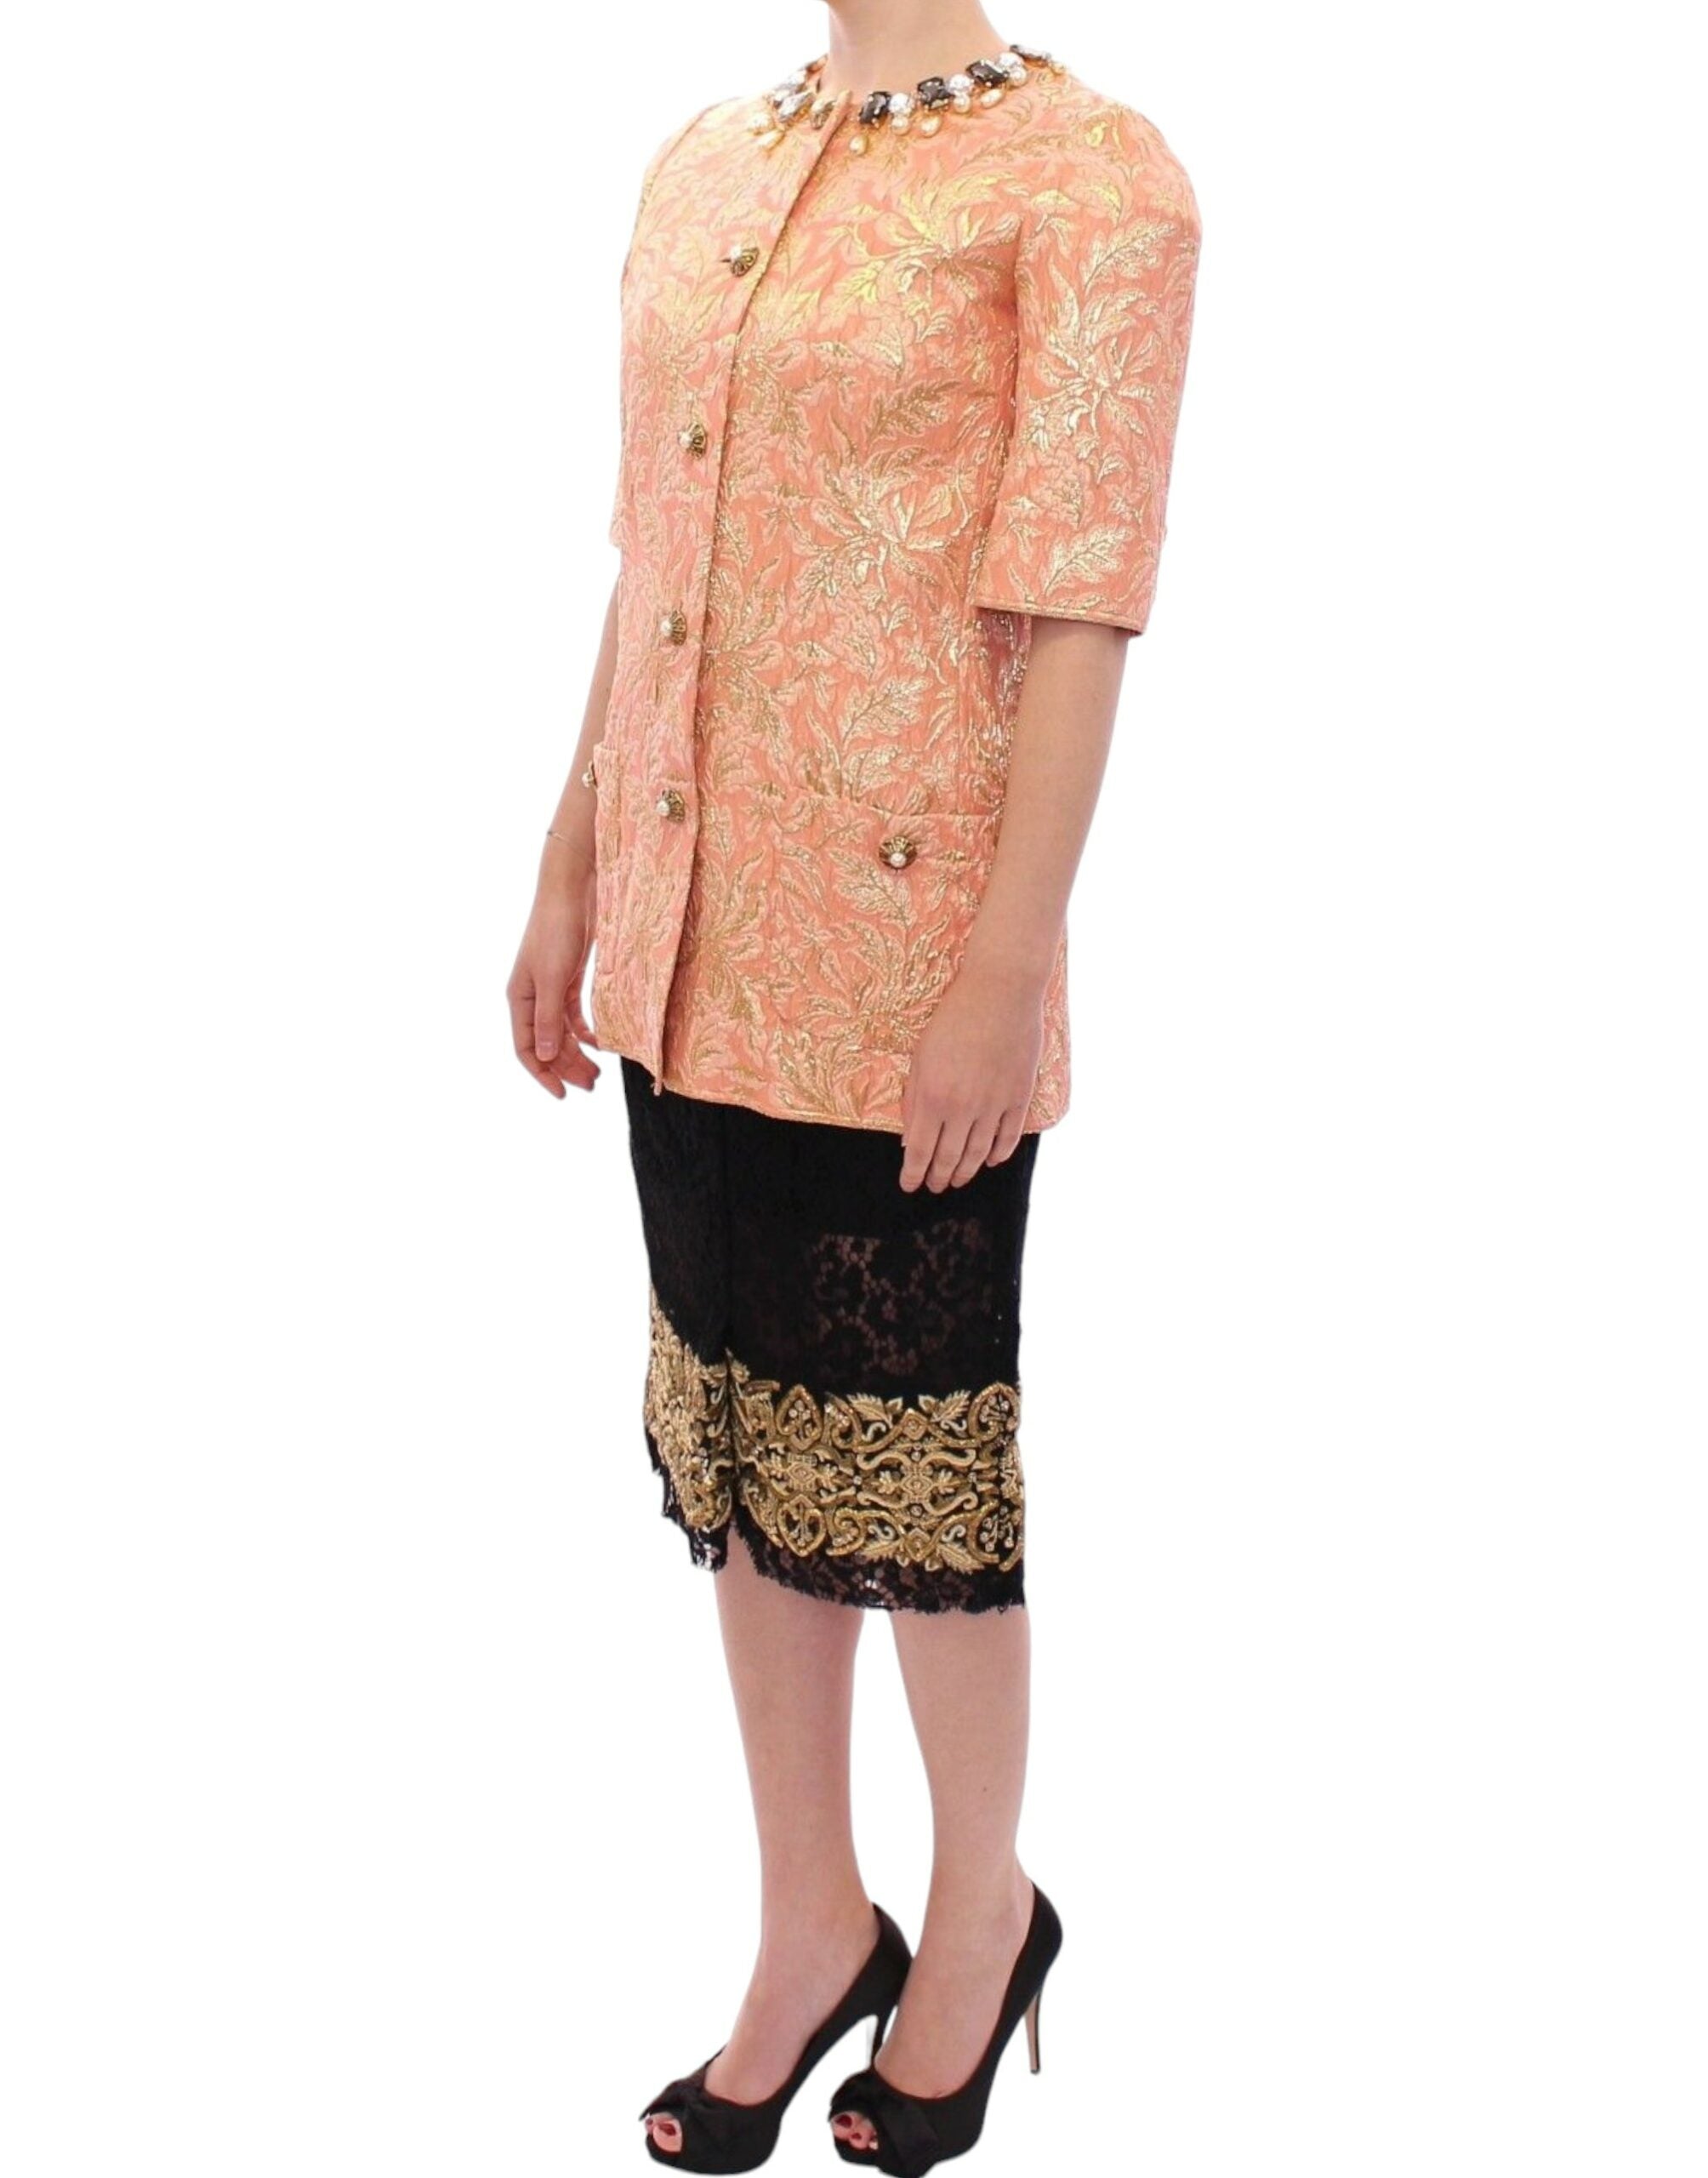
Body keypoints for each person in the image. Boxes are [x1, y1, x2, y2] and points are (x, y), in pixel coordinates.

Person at [506, 5, 1199, 2169]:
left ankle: (981, 1905)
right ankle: (812, 1915)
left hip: (905, 964)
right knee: (740, 1444)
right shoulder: (705, 160)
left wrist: (1006, 966)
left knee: (915, 1474)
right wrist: (567, 864)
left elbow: (1077, 609)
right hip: (689, 934)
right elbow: (654, 565)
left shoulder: (1088, 178)